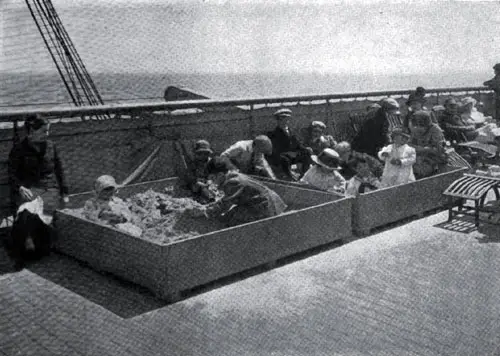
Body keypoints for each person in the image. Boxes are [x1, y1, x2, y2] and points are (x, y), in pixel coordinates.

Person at [188, 157, 287, 227]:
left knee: (232, 219)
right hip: (269, 202)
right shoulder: (233, 176)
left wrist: (205, 211)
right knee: (230, 215)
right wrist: (209, 206)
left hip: (268, 207)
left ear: (221, 175)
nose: (212, 181)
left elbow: (224, 205)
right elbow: (226, 199)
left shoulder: (232, 182)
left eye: (213, 178)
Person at [8, 114, 69, 217]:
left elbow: (59, 170)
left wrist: (65, 193)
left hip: (50, 189)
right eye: (44, 131)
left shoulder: (50, 146)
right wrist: (20, 187)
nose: (47, 134)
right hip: (30, 190)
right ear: (31, 131)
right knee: (30, 215)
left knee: (49, 216)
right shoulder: (19, 150)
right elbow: (12, 173)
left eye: (48, 131)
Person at [266, 108, 312, 180]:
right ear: (278, 121)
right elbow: (276, 149)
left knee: (307, 153)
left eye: (287, 119)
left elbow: (298, 144)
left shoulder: (292, 132)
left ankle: (304, 175)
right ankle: (290, 177)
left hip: (293, 155)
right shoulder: (273, 134)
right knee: (283, 159)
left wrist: (306, 149)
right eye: (282, 119)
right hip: (283, 156)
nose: (285, 122)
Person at [408, 111, 447, 179]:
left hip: (434, 158)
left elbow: (438, 149)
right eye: (416, 123)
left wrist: (422, 149)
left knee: (421, 170)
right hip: (419, 156)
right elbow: (409, 144)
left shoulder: (435, 130)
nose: (418, 126)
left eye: (420, 123)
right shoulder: (415, 129)